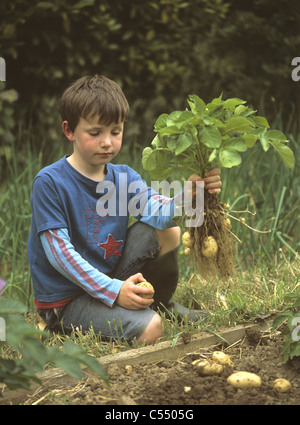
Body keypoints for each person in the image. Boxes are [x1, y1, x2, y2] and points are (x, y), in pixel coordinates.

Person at [27, 75, 222, 346]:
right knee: (151, 330)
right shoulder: (50, 182)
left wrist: (190, 196)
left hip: (108, 279)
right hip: (68, 299)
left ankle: (160, 305)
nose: (107, 142)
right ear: (69, 130)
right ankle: (75, 323)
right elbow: (60, 256)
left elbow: (158, 210)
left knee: (168, 231)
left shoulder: (123, 177)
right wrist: (115, 290)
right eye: (95, 133)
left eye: (116, 132)